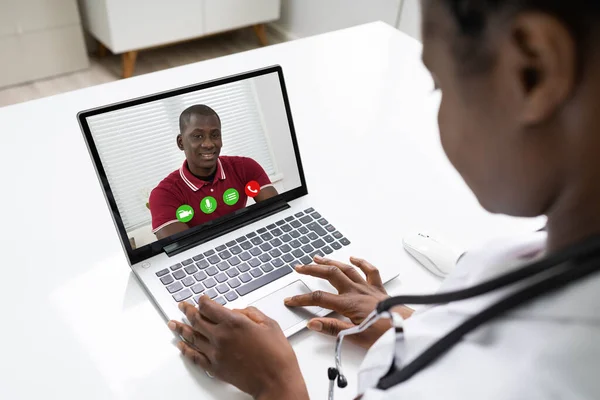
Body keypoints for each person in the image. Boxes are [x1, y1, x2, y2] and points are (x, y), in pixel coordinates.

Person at [166, 1, 600, 399]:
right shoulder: (547, 256)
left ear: (533, 70)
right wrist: (399, 327)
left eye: (439, 85)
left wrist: (276, 383)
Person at [149, 105, 278, 239]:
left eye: (215, 135)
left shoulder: (245, 167)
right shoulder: (164, 194)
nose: (209, 144)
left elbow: (277, 214)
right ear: (181, 143)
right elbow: (183, 251)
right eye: (198, 136)